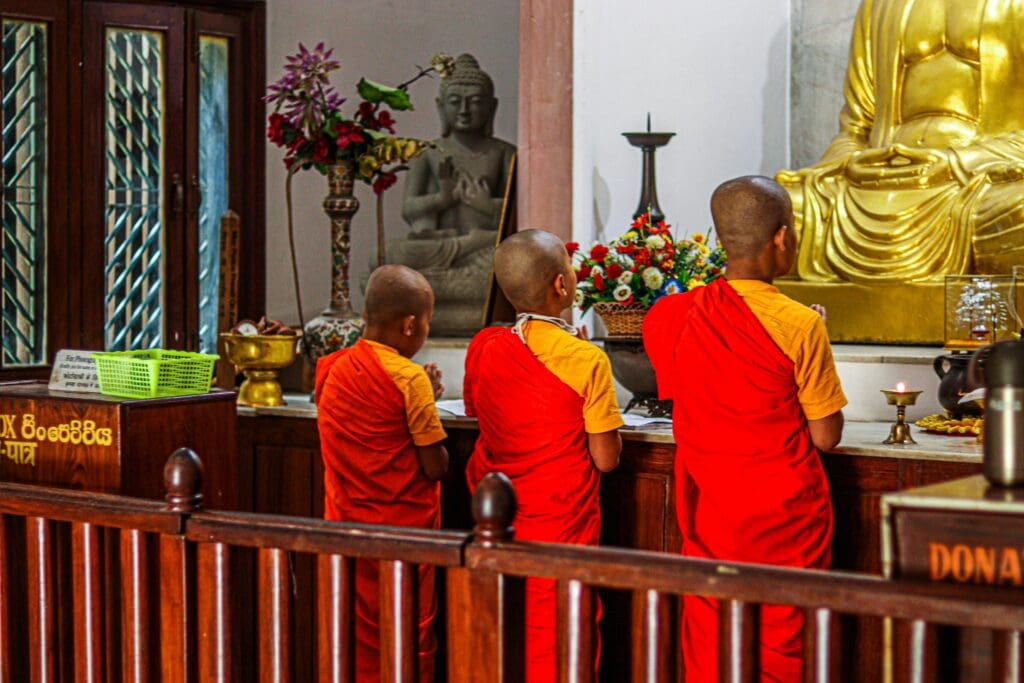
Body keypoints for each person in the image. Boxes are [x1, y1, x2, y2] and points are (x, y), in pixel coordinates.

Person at [643, 176, 847, 682]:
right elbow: (826, 436)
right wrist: (808, 333)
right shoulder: (801, 325)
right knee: (786, 643)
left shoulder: (669, 315)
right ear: (782, 238)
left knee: (714, 638)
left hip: (711, 510)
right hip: (785, 518)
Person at [463, 229, 623, 682]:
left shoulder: (485, 347)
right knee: (560, 631)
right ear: (561, 285)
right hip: (559, 521)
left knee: (508, 624)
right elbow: (607, 459)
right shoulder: (585, 359)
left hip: (503, 518)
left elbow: (478, 411)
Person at [777, 0, 1024, 282]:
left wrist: (955, 162)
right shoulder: (879, 4)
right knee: (781, 216)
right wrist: (854, 163)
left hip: (981, 183)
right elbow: (856, 129)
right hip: (879, 184)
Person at [315, 264, 449, 683]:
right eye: (426, 323)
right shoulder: (409, 378)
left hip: (346, 529)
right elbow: (434, 465)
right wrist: (422, 395)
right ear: (410, 325)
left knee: (350, 634)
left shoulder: (334, 368)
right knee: (403, 629)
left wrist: (422, 394)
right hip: (400, 534)